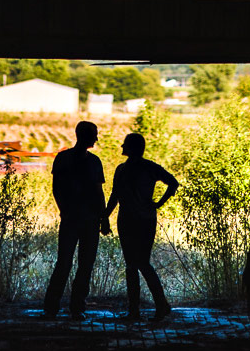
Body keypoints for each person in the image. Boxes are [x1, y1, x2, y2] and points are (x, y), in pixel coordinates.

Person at [104, 132, 178, 324]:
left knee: (132, 265)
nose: (121, 148)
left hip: (127, 220)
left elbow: (115, 197)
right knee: (142, 263)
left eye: (125, 145)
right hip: (146, 219)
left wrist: (105, 218)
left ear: (131, 148)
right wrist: (158, 203)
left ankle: (136, 310)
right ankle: (159, 305)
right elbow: (173, 183)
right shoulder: (150, 167)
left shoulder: (121, 170)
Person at [43, 120, 110, 319]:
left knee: (65, 263)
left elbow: (57, 189)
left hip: (72, 219)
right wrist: (103, 218)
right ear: (86, 136)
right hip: (87, 219)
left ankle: (52, 308)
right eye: (94, 134)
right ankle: (76, 308)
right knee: (84, 264)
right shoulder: (94, 162)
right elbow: (99, 193)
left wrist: (64, 210)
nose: (97, 138)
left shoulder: (63, 158)